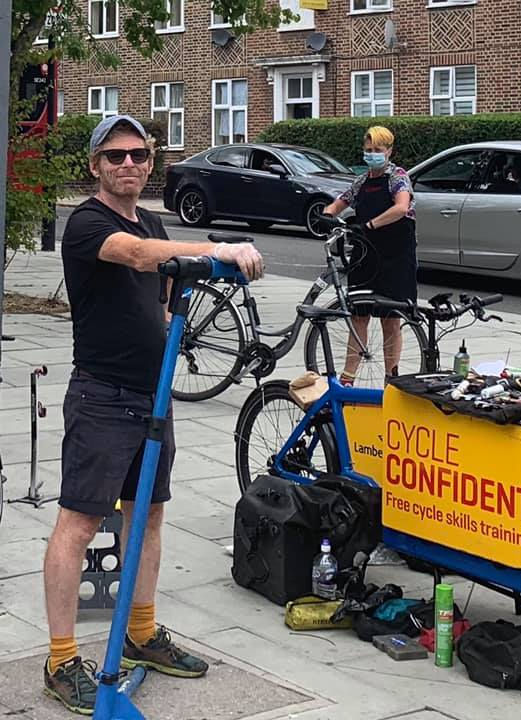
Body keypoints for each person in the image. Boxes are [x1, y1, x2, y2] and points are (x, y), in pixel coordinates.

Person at [44, 115, 264, 714]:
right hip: (103, 396)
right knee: (80, 524)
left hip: (153, 398)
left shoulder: (154, 218)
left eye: (138, 155)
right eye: (114, 156)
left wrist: (173, 317)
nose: (128, 165)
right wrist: (217, 249)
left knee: (150, 515)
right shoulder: (89, 223)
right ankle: (62, 659)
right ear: (95, 165)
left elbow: (165, 291)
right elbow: (141, 258)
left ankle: (141, 632)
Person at [323, 125, 417, 386]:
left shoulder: (397, 177)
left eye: (377, 150)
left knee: (390, 318)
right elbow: (342, 200)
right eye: (368, 150)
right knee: (358, 315)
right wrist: (328, 214)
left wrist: (369, 225)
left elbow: (401, 207)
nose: (372, 154)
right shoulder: (362, 180)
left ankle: (391, 379)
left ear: (389, 151)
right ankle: (348, 376)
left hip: (394, 254)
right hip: (365, 254)